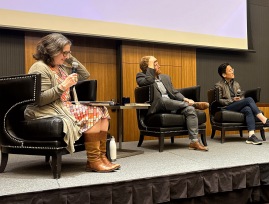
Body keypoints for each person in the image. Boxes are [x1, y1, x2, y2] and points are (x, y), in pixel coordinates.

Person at [24, 33, 120, 172]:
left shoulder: (61, 67)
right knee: (92, 111)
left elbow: (84, 74)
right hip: (46, 109)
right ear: (52, 50)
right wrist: (63, 86)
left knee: (102, 110)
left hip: (64, 107)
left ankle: (101, 157)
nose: (67, 56)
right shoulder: (40, 67)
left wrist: (69, 58)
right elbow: (40, 99)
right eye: (64, 53)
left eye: (68, 53)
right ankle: (94, 160)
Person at [136, 56, 210, 151]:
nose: (159, 66)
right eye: (155, 64)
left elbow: (174, 92)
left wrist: (185, 99)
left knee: (190, 110)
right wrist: (150, 62)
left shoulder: (165, 77)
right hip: (156, 106)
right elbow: (149, 81)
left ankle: (194, 142)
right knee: (163, 100)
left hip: (172, 105)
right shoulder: (140, 76)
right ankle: (195, 104)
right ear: (148, 67)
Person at [215, 63, 269, 145]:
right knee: (249, 99)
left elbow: (241, 96)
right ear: (224, 74)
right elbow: (219, 101)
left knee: (248, 109)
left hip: (236, 105)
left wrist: (239, 99)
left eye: (232, 70)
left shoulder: (236, 84)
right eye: (230, 70)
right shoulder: (219, 85)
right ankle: (264, 120)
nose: (232, 72)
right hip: (227, 106)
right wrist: (232, 100)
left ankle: (251, 135)